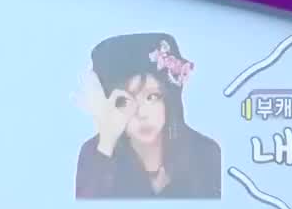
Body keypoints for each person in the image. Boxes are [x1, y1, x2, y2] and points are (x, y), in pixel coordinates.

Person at [75, 32, 222, 199]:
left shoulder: (205, 152)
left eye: (152, 97)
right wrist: (107, 142)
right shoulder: (95, 153)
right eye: (124, 101)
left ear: (169, 99)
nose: (142, 114)